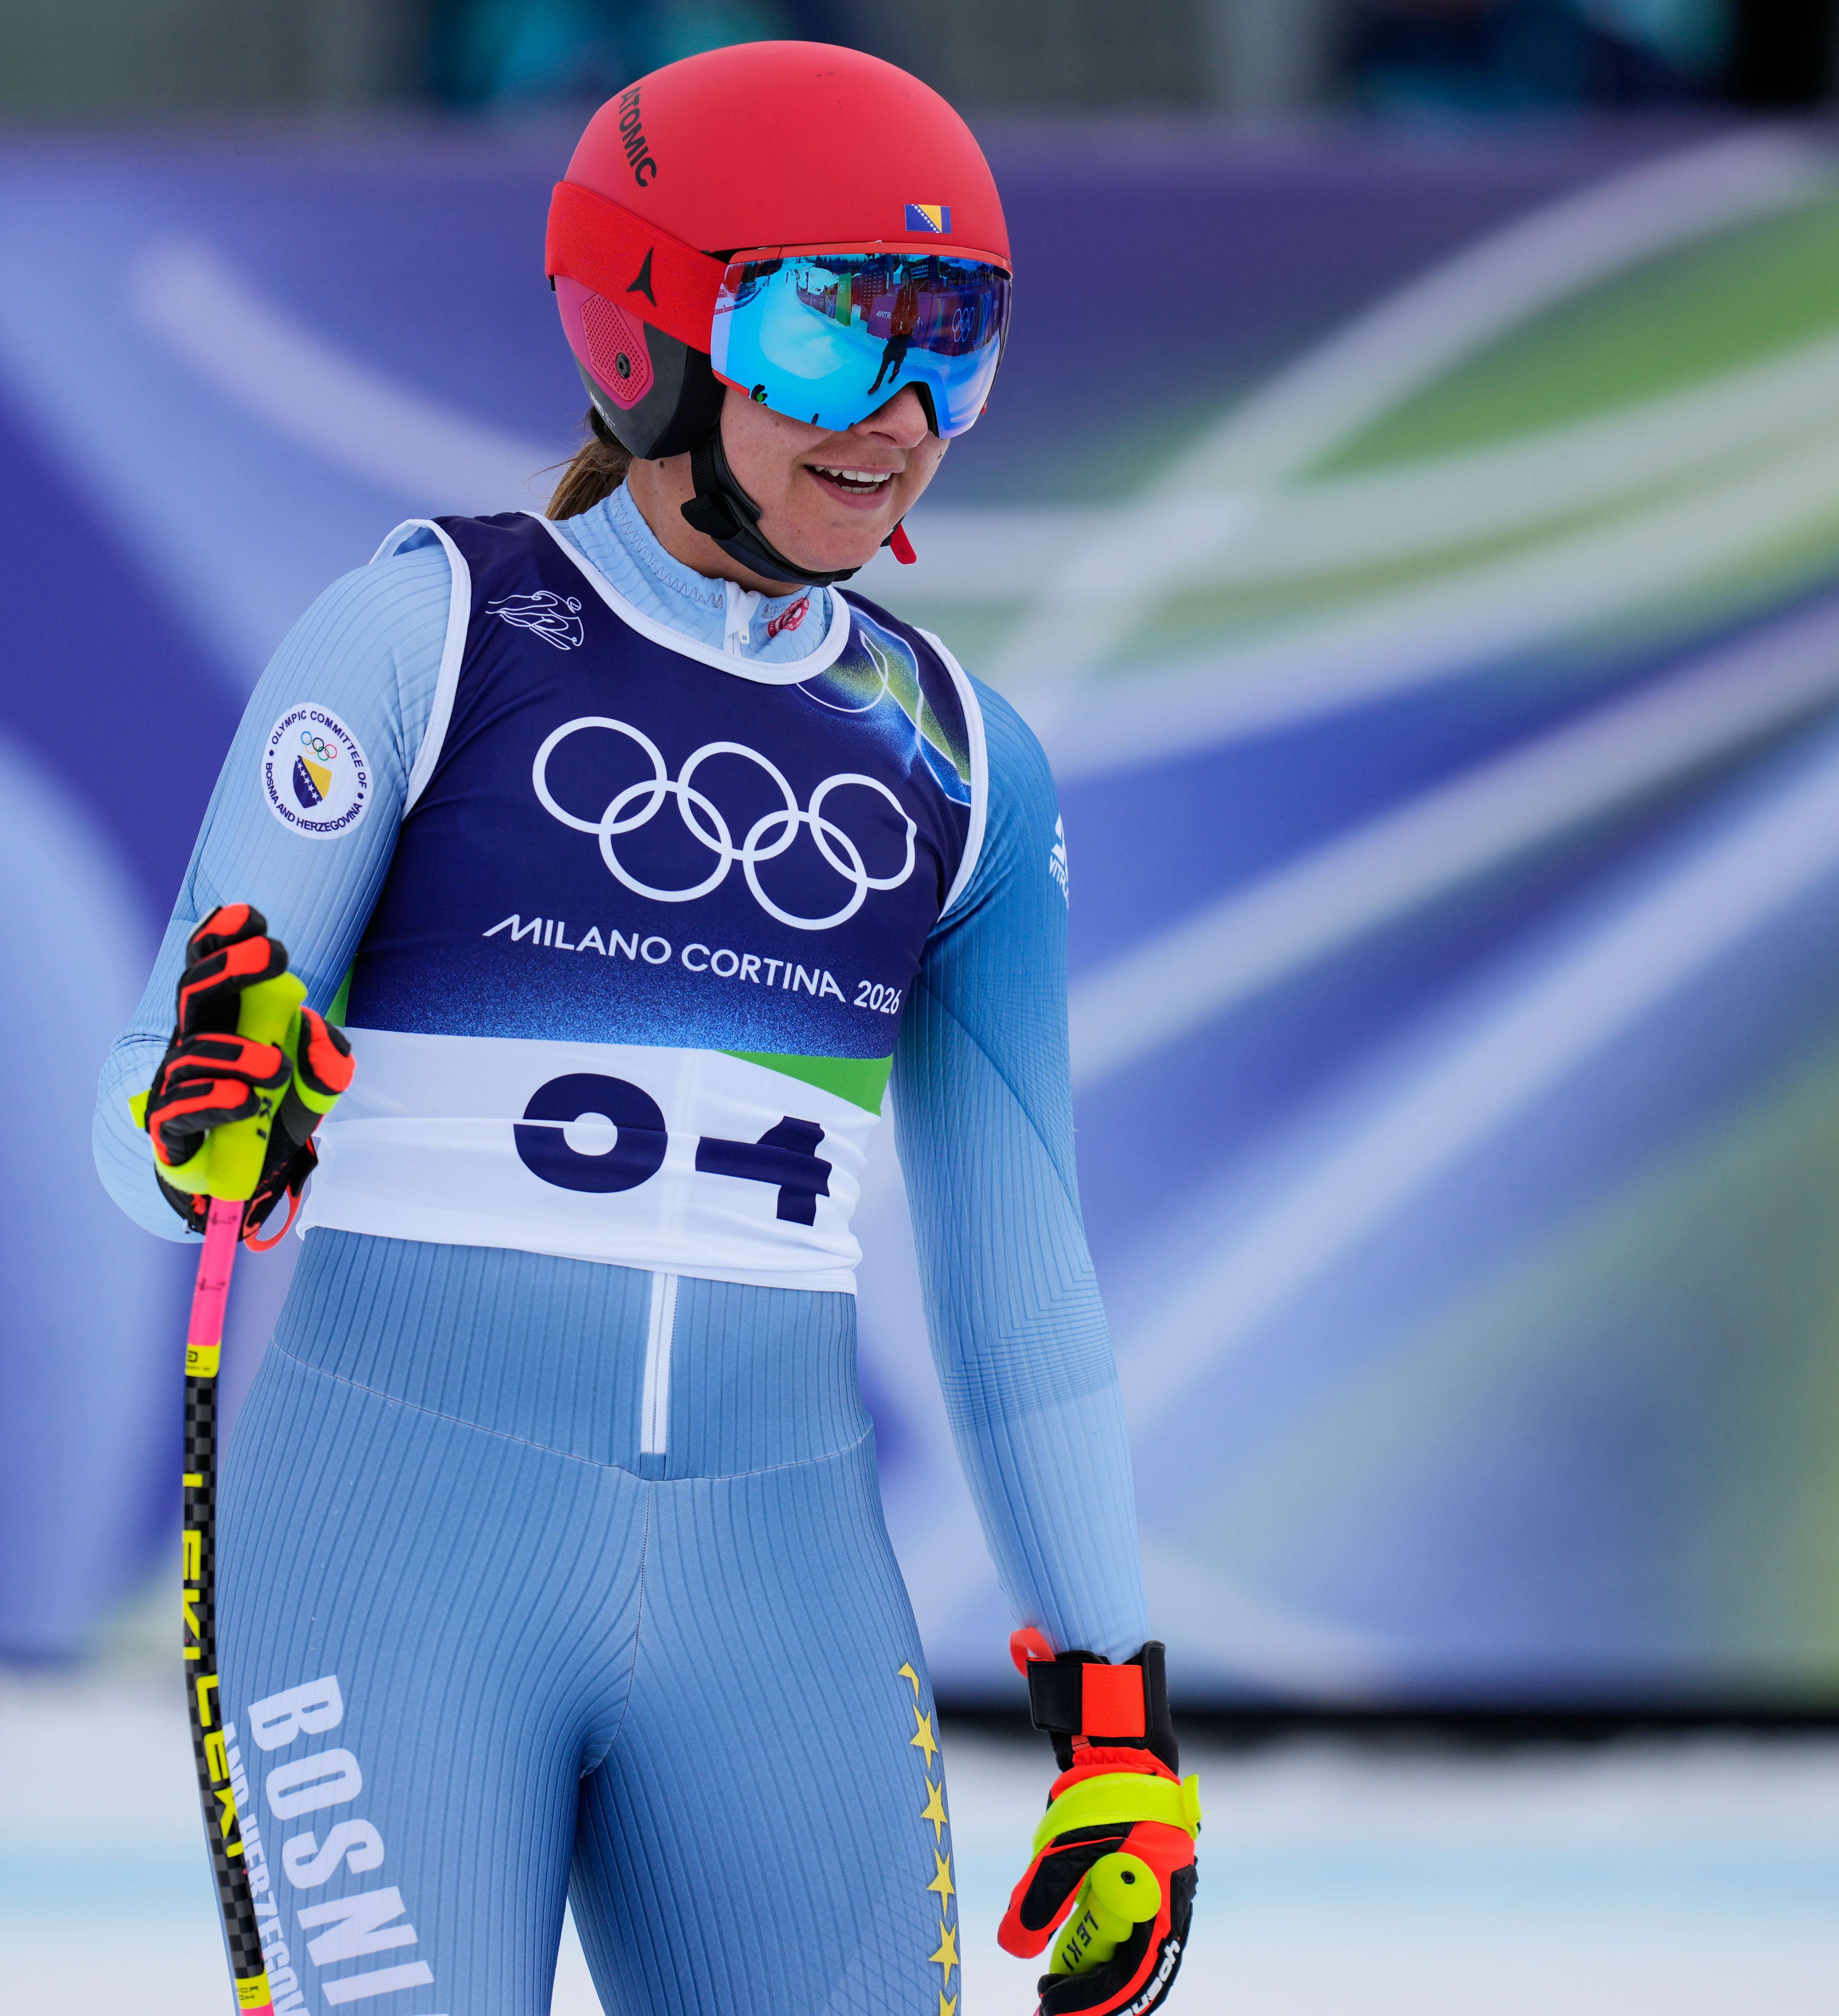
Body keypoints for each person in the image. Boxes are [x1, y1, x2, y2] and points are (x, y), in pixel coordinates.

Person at [94, 42, 1201, 2016]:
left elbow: (1020, 1269)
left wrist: (1118, 1720)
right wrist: (207, 1106)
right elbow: (140, 1115)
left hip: (781, 1591)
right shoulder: (431, 632)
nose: (905, 417)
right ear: (651, 333)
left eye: (959, 341)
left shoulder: (960, 764)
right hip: (392, 1557)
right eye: (831, 334)